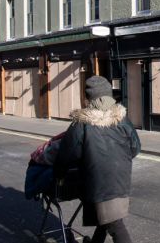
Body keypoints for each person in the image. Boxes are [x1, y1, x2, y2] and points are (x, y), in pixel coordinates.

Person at [56, 76, 140, 243]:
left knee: (114, 224)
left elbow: (67, 154)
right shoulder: (123, 119)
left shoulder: (81, 123)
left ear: (88, 98)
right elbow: (135, 148)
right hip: (120, 177)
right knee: (108, 217)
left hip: (96, 180)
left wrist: (59, 174)